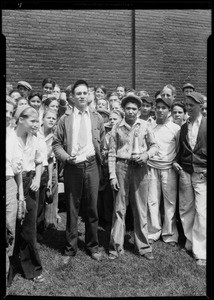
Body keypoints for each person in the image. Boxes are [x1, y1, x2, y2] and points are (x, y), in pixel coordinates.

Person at [52, 79, 105, 263]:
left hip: (91, 166)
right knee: (72, 208)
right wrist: (67, 157)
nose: (82, 96)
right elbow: (56, 144)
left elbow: (102, 142)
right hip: (72, 167)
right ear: (72, 98)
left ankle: (93, 246)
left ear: (89, 96)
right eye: (78, 94)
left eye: (85, 93)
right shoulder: (65, 119)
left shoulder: (97, 117)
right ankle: (70, 248)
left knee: (92, 208)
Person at [108, 93, 158, 260]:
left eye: (134, 109)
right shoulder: (117, 127)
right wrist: (112, 175)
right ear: (123, 109)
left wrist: (146, 156)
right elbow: (111, 153)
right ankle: (116, 247)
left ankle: (143, 246)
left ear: (138, 110)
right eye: (128, 108)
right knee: (119, 208)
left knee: (140, 208)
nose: (130, 111)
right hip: (121, 167)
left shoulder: (145, 125)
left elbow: (155, 146)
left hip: (140, 168)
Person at [172, 92, 207, 266]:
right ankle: (190, 242)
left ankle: (201, 251)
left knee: (201, 211)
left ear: (200, 106)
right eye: (186, 105)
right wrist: (177, 163)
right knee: (186, 208)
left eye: (191, 105)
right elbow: (181, 150)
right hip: (185, 171)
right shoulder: (184, 127)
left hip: (202, 173)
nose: (188, 108)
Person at [12, 105, 45, 282]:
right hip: (12, 181)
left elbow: (40, 161)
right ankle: (10, 265)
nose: (36, 124)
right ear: (21, 120)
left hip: (30, 181)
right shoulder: (10, 138)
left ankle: (32, 268)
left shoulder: (36, 138)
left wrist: (37, 179)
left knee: (29, 225)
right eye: (33, 121)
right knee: (12, 223)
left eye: (37, 121)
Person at [147, 93, 180, 246]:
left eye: (164, 108)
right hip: (151, 167)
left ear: (169, 111)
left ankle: (170, 234)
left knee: (170, 202)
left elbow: (180, 149)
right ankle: (153, 232)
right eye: (158, 107)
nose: (160, 110)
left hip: (169, 169)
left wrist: (175, 161)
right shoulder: (149, 125)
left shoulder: (175, 128)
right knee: (152, 200)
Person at [6, 99, 24, 286]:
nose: (6, 114)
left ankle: (6, 268)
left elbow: (17, 168)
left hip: (9, 183)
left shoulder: (13, 136)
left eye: (10, 112)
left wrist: (20, 194)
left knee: (9, 228)